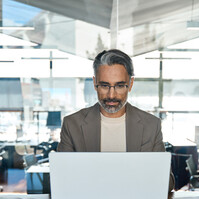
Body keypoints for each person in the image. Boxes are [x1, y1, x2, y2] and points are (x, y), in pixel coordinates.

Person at [57, 49, 174, 190]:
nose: (111, 95)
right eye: (105, 85)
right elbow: (61, 180)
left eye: (119, 86)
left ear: (130, 84)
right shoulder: (72, 124)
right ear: (95, 83)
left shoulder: (151, 125)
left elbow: (167, 183)